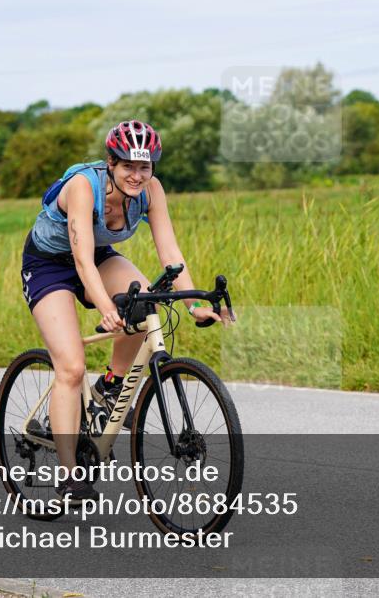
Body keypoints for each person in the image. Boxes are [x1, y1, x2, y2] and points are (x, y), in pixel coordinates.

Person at [20, 120, 233, 503]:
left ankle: (112, 385)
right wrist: (105, 307)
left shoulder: (151, 191)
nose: (137, 175)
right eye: (128, 167)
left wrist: (195, 305)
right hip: (50, 264)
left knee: (146, 303)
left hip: (99, 257)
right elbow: (81, 262)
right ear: (111, 164)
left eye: (145, 167)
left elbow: (170, 253)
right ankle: (69, 477)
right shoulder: (84, 187)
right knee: (70, 366)